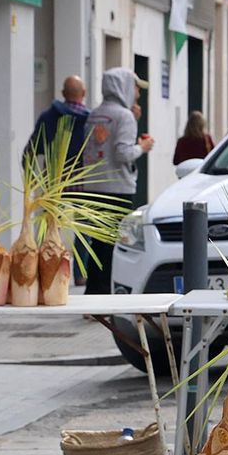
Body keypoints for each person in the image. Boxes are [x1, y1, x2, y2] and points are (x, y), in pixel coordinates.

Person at [78, 68, 153, 295]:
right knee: (114, 246)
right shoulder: (124, 116)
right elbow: (122, 153)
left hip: (93, 186)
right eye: (136, 87)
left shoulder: (95, 114)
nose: (137, 94)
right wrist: (143, 147)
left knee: (98, 244)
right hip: (117, 188)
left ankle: (93, 294)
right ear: (124, 87)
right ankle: (106, 297)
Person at [25, 75, 89, 166]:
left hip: (53, 177)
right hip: (82, 178)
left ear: (63, 93)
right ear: (84, 93)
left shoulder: (47, 118)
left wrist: (32, 178)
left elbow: (29, 151)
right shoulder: (91, 121)